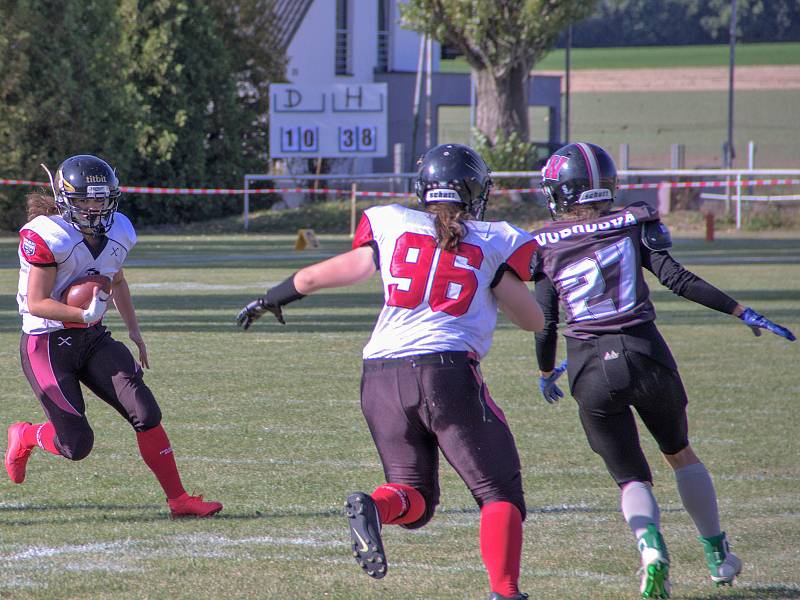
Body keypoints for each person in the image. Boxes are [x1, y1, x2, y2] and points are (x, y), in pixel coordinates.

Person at [237, 144, 544, 600]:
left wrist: (273, 297)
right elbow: (532, 319)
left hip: (380, 376)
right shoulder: (496, 239)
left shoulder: (392, 223)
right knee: (499, 491)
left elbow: (331, 272)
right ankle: (505, 590)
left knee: (413, 499)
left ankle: (375, 508)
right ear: (475, 191)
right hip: (447, 373)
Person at [530, 142, 795, 599]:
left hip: (588, 366)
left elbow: (544, 322)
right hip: (645, 352)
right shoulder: (634, 224)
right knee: (680, 453)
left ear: (560, 193)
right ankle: (717, 555)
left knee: (632, 477)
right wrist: (739, 310)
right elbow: (678, 278)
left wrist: (545, 368)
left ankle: (651, 550)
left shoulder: (544, 244)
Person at [5, 154, 223, 519]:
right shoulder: (47, 235)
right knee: (76, 445)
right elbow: (37, 302)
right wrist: (82, 313)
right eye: (85, 200)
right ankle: (26, 435)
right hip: (46, 342)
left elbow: (115, 279)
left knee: (145, 411)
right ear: (65, 199)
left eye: (100, 199)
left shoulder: (118, 230)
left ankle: (179, 500)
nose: (94, 208)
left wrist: (134, 330)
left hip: (91, 337)